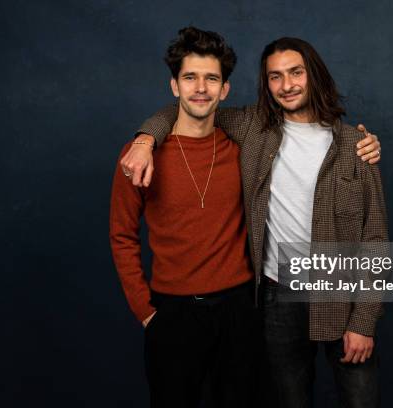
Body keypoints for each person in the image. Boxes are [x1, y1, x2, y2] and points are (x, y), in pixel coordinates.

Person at [124, 35, 387, 408]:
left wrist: (364, 319)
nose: (287, 85)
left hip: (341, 292)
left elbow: (375, 239)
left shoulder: (355, 146)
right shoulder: (253, 128)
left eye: (295, 73)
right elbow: (191, 107)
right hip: (277, 297)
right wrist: (145, 138)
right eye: (275, 77)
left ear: (314, 75)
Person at [109, 27, 259, 408]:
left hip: (238, 310)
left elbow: (304, 124)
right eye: (190, 78)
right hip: (172, 314)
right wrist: (145, 311)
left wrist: (358, 140)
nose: (201, 88)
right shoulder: (139, 155)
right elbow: (122, 235)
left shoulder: (241, 146)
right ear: (174, 85)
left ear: (225, 90)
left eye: (212, 79)